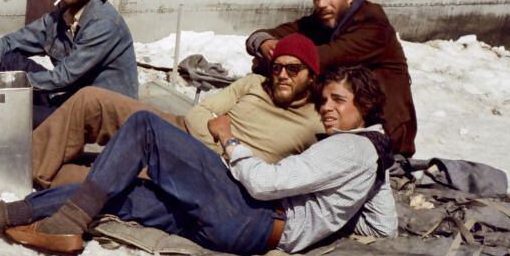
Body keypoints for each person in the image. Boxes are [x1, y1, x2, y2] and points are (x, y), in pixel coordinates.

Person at [0, 65, 397, 256]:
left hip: (253, 213)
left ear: (366, 109)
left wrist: (231, 142)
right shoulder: (371, 156)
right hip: (245, 230)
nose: (328, 108)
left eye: (339, 101)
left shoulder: (349, 147)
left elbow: (268, 184)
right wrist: (333, 224)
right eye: (328, 100)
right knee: (126, 193)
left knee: (147, 128)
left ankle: (68, 221)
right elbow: (384, 228)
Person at [30, 33, 324, 188]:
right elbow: (200, 112)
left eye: (294, 69)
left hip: (207, 170)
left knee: (98, 179)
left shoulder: (318, 121)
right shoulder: (254, 83)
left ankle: (44, 181)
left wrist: (222, 147)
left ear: (311, 76)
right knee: (91, 100)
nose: (283, 75)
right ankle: (22, 174)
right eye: (278, 67)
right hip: (181, 128)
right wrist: (218, 140)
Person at [245, 0, 418, 156]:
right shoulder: (324, 19)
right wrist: (264, 43)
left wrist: (276, 59)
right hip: (342, 126)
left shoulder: (373, 26)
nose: (321, 4)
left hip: (383, 136)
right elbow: (263, 36)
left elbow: (322, 58)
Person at [0, 0, 137, 126]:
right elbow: (10, 42)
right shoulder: (59, 19)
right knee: (8, 60)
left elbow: (65, 77)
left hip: (103, 112)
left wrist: (7, 82)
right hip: (72, 95)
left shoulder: (104, 23)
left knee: (15, 114)